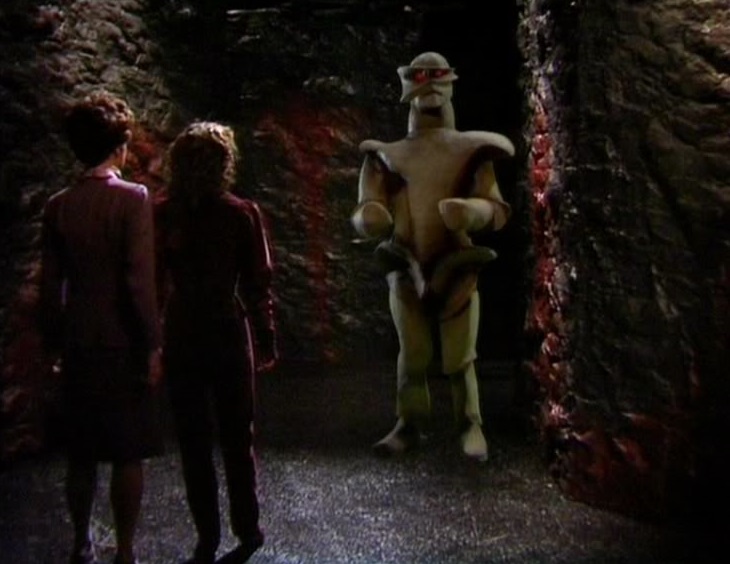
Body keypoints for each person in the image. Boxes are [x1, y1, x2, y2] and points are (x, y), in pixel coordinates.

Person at [351, 52, 514, 461]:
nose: (430, 93)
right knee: (413, 355)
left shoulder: (472, 151)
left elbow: (496, 208)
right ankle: (408, 424)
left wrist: (471, 212)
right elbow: (367, 205)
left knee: (461, 356)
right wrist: (370, 217)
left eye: (436, 81)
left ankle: (470, 423)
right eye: (422, 81)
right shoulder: (385, 156)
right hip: (405, 265)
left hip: (456, 265)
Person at [39, 91, 163, 564]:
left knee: (81, 452)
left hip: (77, 341)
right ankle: (125, 549)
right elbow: (138, 281)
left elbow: (51, 285)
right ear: (119, 146)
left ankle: (81, 542)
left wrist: (53, 345)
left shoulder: (58, 205)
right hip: (121, 343)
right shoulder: (133, 199)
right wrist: (151, 344)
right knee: (127, 451)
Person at [155, 121, 277, 564]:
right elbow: (259, 282)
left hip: (183, 329)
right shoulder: (241, 213)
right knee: (237, 437)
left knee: (193, 441)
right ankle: (247, 528)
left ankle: (206, 536)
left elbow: (153, 279)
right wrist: (266, 336)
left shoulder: (162, 212)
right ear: (224, 164)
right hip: (227, 328)